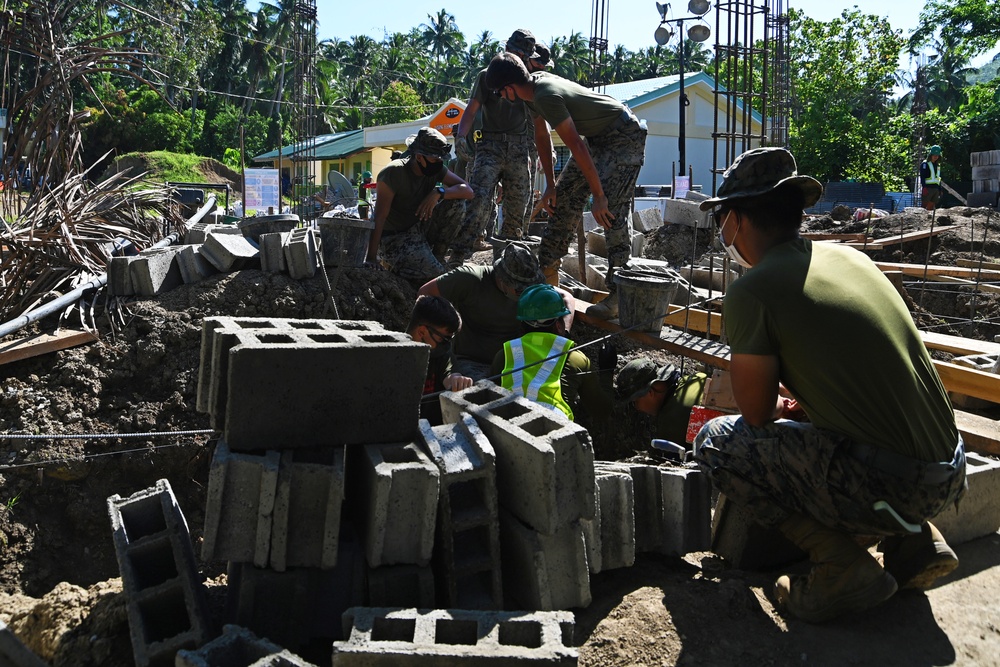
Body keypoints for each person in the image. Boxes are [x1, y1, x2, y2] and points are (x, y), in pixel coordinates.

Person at [692, 147, 966, 623]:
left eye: (722, 220)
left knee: (715, 442)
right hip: (950, 470)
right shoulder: (849, 259)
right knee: (835, 429)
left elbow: (755, 414)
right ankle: (917, 542)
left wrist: (784, 407)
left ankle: (840, 565)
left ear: (736, 219)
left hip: (893, 486)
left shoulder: (753, 290)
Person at [484, 52, 647, 320]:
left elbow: (576, 145)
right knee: (563, 202)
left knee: (610, 213)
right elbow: (542, 135)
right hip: (597, 138)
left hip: (623, 136)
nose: (501, 97)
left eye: (500, 92)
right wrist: (551, 185)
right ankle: (546, 277)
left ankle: (619, 295)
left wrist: (598, 195)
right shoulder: (530, 93)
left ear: (510, 87)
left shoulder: (545, 95)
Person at [418, 241, 572, 381]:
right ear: (502, 278)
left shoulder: (531, 288)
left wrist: (563, 334)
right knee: (481, 392)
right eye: (519, 289)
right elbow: (425, 293)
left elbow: (567, 298)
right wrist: (443, 336)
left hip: (516, 359)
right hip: (471, 362)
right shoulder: (471, 279)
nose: (525, 292)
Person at [449, 29, 538, 265]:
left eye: (524, 56)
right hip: (489, 146)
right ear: (508, 49)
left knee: (517, 206)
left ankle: (509, 262)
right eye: (516, 53)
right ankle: (458, 256)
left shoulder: (530, 81)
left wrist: (534, 151)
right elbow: (471, 109)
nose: (520, 58)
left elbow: (536, 121)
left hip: (519, 148)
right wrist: (461, 136)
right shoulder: (487, 76)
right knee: (478, 200)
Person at [365, 127, 473, 284]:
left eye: (441, 160)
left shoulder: (435, 169)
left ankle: (438, 256)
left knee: (456, 203)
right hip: (394, 237)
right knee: (438, 276)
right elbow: (379, 217)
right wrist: (371, 258)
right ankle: (397, 265)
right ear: (419, 157)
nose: (439, 163)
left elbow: (468, 191)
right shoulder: (393, 173)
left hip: (418, 228)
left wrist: (439, 192)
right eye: (435, 159)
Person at [490, 284, 609, 423]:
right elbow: (602, 412)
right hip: (555, 429)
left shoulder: (505, 354)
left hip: (507, 427)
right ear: (558, 325)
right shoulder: (575, 359)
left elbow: (491, 398)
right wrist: (607, 371)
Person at [406, 294, 474, 425]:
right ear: (422, 332)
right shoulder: (395, 357)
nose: (447, 344)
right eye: (443, 339)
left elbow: (451, 375)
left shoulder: (441, 354)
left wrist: (457, 382)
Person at [616, 358, 708, 448]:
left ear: (650, 393)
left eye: (635, 402)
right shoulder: (697, 378)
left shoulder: (670, 421)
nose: (636, 407)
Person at [920, 145, 943, 211]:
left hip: (936, 188)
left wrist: (940, 189)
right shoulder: (925, 164)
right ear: (931, 155)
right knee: (924, 205)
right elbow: (922, 176)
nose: (935, 157)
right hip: (928, 188)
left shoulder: (938, 165)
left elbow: (938, 178)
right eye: (934, 155)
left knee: (931, 207)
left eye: (937, 155)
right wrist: (924, 187)